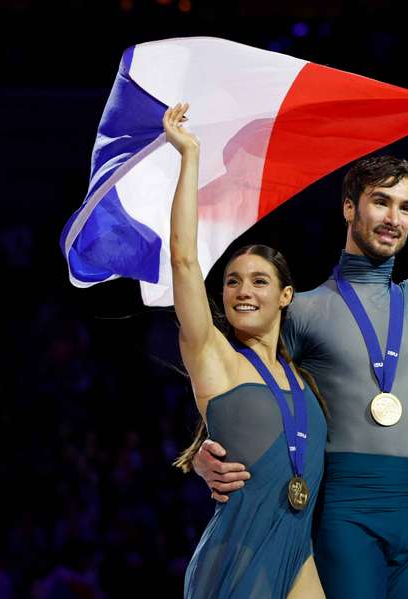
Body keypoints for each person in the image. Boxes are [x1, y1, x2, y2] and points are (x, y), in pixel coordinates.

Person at [193, 82, 408, 597]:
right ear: (349, 208)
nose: (394, 219)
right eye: (381, 202)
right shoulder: (300, 308)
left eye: (406, 207)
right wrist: (202, 449)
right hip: (344, 510)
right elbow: (244, 383)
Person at [164, 102, 328, 598]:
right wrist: (189, 155)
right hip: (236, 556)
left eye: (259, 281)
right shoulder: (214, 356)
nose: (242, 290)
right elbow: (184, 260)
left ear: (285, 297)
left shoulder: (305, 377)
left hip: (298, 551)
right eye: (233, 281)